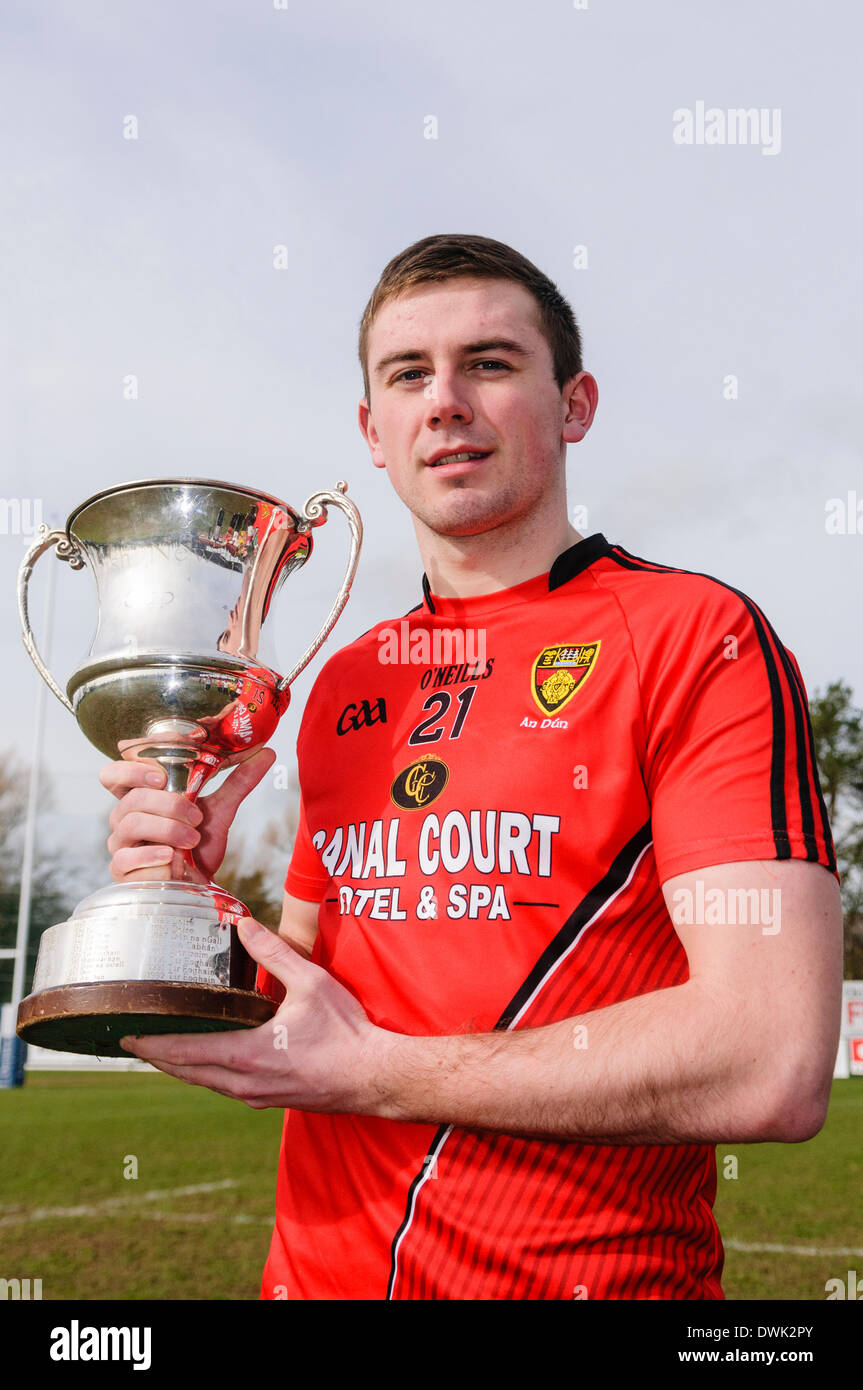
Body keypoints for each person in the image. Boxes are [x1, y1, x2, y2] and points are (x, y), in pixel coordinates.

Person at [102, 234, 842, 1301]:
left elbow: (767, 1059)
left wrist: (380, 1075)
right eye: (407, 374)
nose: (443, 400)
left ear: (573, 403)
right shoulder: (354, 683)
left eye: (488, 363)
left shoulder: (694, 635)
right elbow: (294, 1007)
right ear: (372, 430)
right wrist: (180, 896)